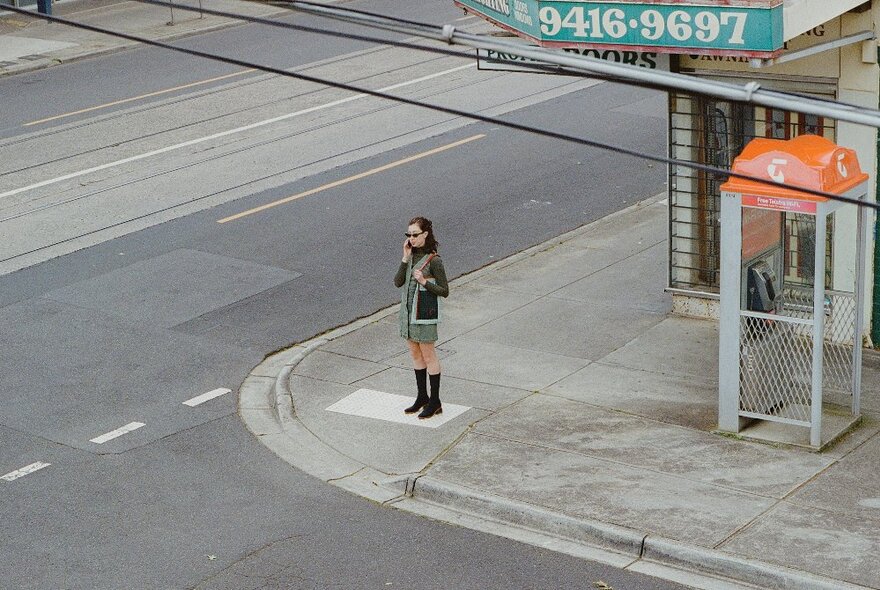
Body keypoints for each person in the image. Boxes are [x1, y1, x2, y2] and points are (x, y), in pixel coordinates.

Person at [394, 216, 449, 419]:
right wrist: (404, 258)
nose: (411, 238)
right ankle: (422, 397)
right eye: (409, 235)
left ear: (425, 234)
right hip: (408, 314)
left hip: (424, 315)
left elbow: (444, 290)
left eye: (415, 235)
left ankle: (435, 401)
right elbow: (398, 282)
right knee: (415, 355)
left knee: (428, 355)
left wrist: (424, 281)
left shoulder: (434, 261)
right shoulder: (411, 256)